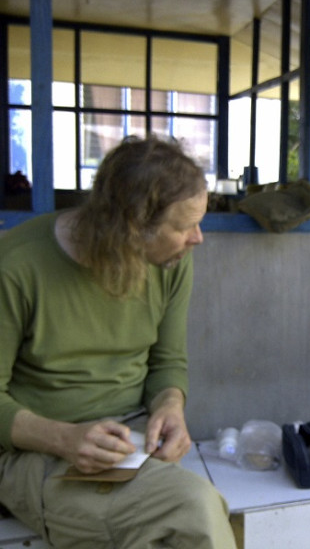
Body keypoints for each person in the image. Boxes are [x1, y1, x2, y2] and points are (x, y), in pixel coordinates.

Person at [0, 137, 237, 549]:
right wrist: (65, 439)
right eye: (184, 226)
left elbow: (167, 360)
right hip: (36, 451)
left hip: (131, 443)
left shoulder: (171, 261)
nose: (197, 238)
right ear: (131, 227)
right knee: (193, 514)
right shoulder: (16, 265)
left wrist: (170, 406)